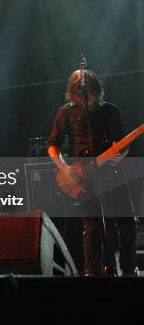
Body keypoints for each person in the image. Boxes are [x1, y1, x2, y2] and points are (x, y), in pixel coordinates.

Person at [47, 69, 137, 276]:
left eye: (87, 90)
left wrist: (120, 155)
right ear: (72, 91)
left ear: (95, 89)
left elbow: (123, 143)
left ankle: (129, 271)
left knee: (127, 222)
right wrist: (64, 168)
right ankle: (92, 272)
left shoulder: (110, 110)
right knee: (92, 225)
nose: (83, 94)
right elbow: (53, 145)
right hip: (81, 176)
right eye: (77, 89)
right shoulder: (65, 112)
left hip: (110, 171)